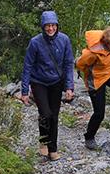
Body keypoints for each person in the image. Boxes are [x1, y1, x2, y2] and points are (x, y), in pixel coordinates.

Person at [19, 10, 74, 161]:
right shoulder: (35, 42)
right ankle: (44, 142)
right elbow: (27, 67)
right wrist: (24, 91)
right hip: (39, 82)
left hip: (56, 82)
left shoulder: (64, 40)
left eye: (53, 25)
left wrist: (69, 87)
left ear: (57, 25)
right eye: (47, 26)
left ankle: (53, 149)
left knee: (54, 116)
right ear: (43, 27)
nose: (50, 29)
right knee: (45, 113)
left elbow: (69, 64)